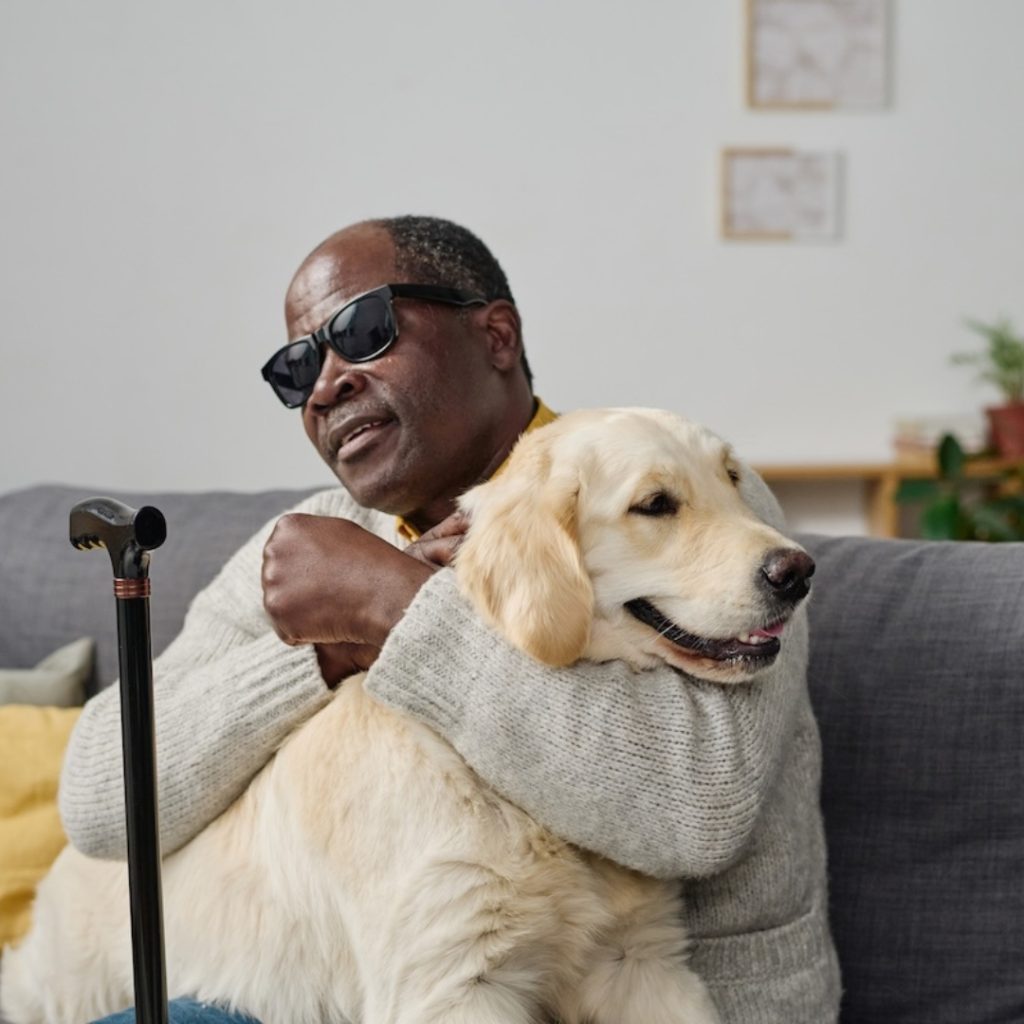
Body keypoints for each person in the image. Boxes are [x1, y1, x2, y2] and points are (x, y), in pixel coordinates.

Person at [60, 216, 841, 1023]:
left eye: (364, 331)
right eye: (298, 370)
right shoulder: (310, 551)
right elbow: (99, 802)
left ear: (496, 334)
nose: (327, 383)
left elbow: (694, 812)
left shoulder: (689, 494)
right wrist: (329, 650)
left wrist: (395, 606)